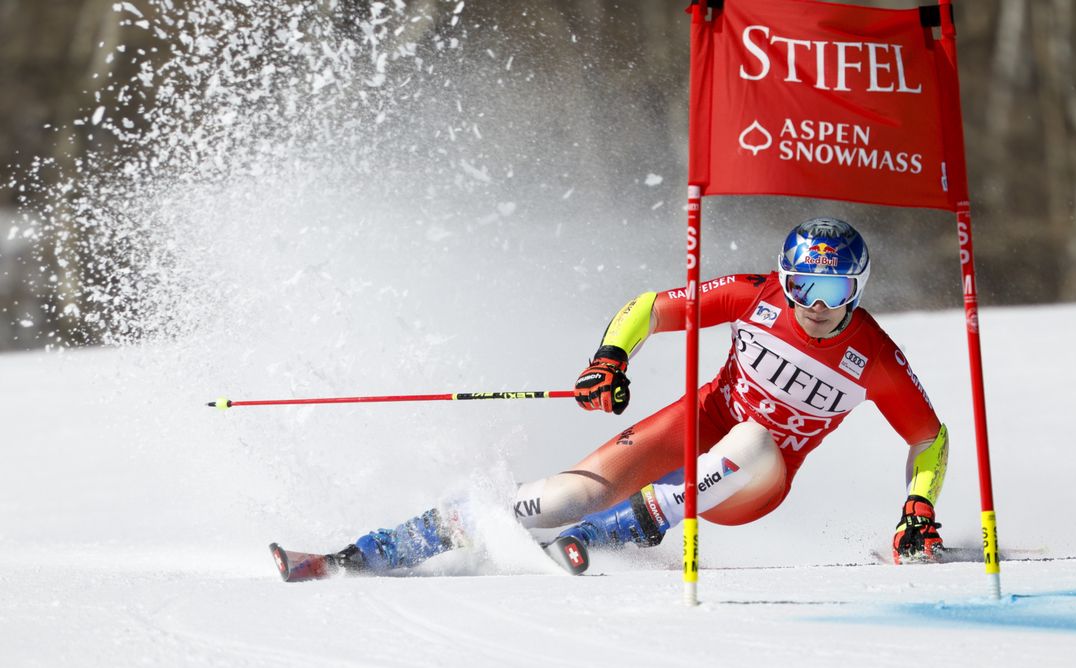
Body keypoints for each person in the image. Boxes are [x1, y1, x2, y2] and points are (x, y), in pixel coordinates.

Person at [331, 218, 948, 575]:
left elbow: (929, 436)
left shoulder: (876, 356)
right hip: (700, 418)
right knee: (566, 495)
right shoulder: (752, 295)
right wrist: (610, 358)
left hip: (756, 479)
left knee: (755, 438)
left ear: (858, 287)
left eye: (834, 288)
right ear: (784, 280)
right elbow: (650, 309)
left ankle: (614, 532)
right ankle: (400, 542)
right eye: (804, 285)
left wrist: (917, 507)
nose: (816, 305)